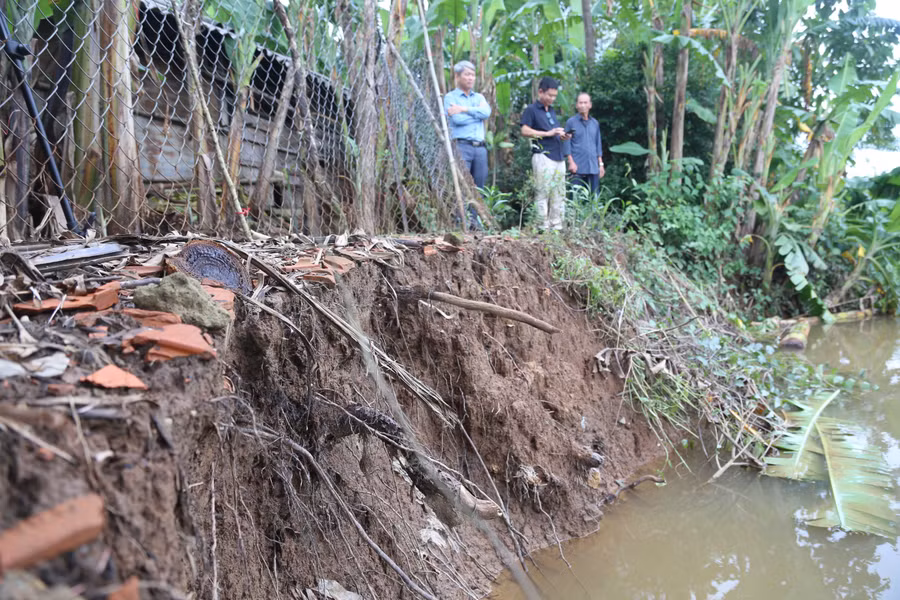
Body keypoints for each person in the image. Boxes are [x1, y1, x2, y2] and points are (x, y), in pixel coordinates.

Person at [520, 77, 571, 231]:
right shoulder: (531, 110)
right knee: (542, 192)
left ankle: (556, 226)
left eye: (554, 96)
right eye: (549, 95)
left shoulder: (552, 111)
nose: (552, 99)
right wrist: (548, 133)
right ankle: (542, 226)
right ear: (540, 92)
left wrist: (561, 135)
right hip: (543, 155)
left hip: (558, 156)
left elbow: (553, 132)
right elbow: (524, 131)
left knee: (559, 193)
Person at [444, 60, 492, 191]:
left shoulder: (479, 97)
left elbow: (486, 113)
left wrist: (464, 109)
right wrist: (477, 115)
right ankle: (462, 212)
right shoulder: (450, 97)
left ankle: (476, 213)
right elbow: (458, 119)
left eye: (473, 75)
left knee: (479, 189)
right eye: (467, 74)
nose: (471, 78)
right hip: (461, 147)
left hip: (480, 149)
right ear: (457, 76)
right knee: (462, 187)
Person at [563, 92, 605, 195]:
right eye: (580, 103)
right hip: (577, 168)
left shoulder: (595, 123)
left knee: (595, 198)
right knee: (575, 199)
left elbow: (598, 144)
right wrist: (571, 162)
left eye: (585, 103)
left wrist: (601, 165)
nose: (583, 105)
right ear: (577, 105)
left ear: (590, 105)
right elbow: (566, 142)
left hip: (593, 167)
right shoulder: (571, 123)